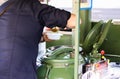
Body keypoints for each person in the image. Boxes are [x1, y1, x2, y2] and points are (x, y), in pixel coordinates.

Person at [0, 0, 76, 79]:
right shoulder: (37, 8)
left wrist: (42, 38)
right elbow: (75, 21)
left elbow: (15, 35)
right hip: (21, 72)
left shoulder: (5, 7)